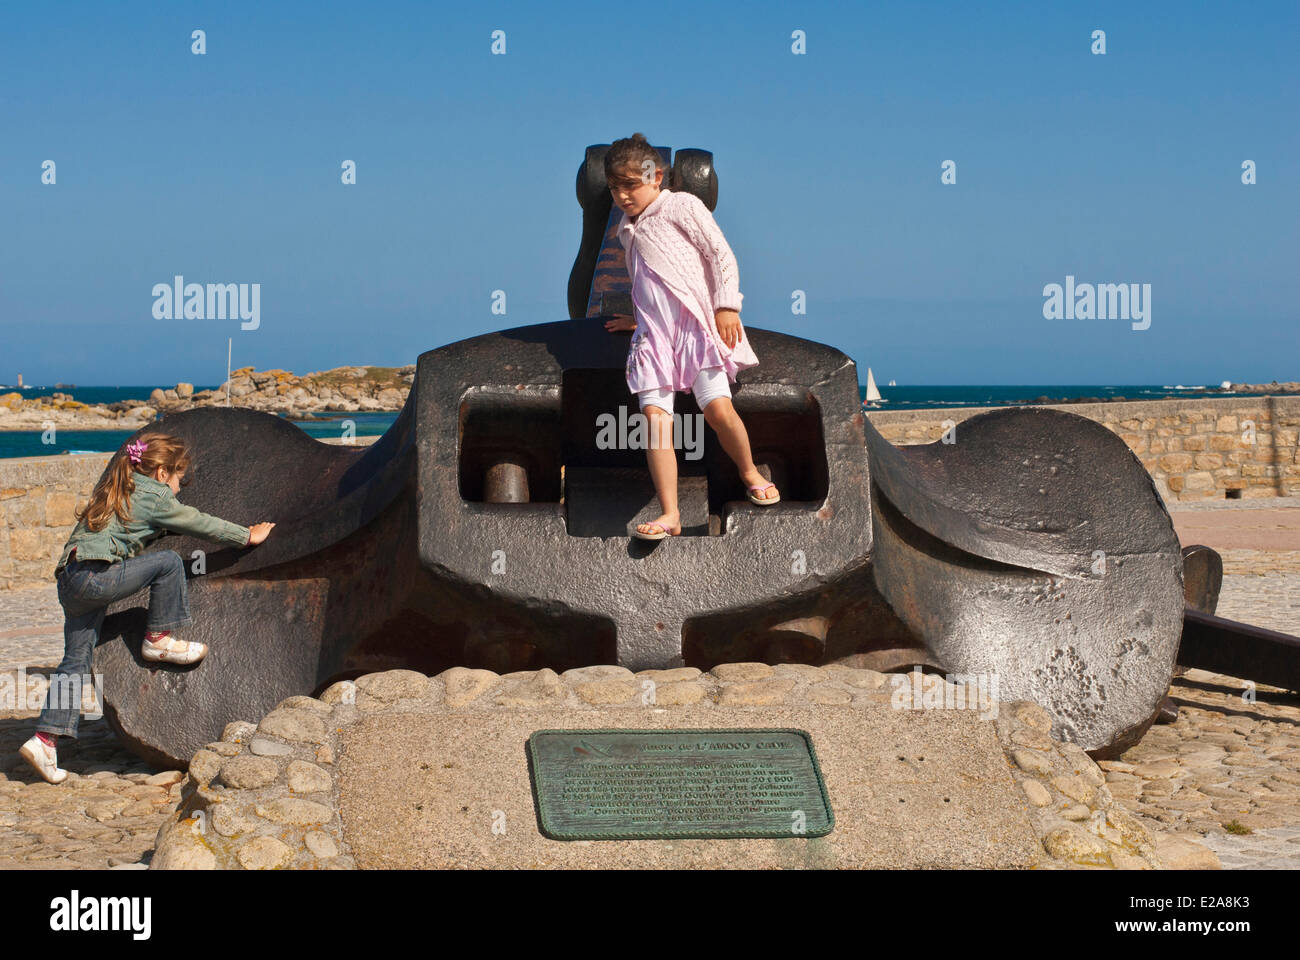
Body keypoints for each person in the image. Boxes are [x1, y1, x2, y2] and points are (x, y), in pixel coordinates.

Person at [18, 432, 275, 784]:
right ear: (161, 474)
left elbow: (135, 531)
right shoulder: (155, 496)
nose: (179, 489)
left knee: (75, 661)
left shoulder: (118, 489)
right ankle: (158, 639)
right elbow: (199, 522)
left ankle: (45, 740)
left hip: (71, 579)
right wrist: (247, 535)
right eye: (178, 480)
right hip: (96, 576)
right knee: (167, 564)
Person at [603, 133, 779, 540]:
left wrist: (726, 304)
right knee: (655, 423)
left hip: (695, 329)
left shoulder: (680, 205)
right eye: (615, 188)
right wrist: (638, 317)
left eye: (631, 185)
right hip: (654, 338)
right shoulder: (626, 231)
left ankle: (749, 471)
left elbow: (719, 253)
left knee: (718, 410)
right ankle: (670, 514)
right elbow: (646, 279)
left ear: (657, 177)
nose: (623, 196)